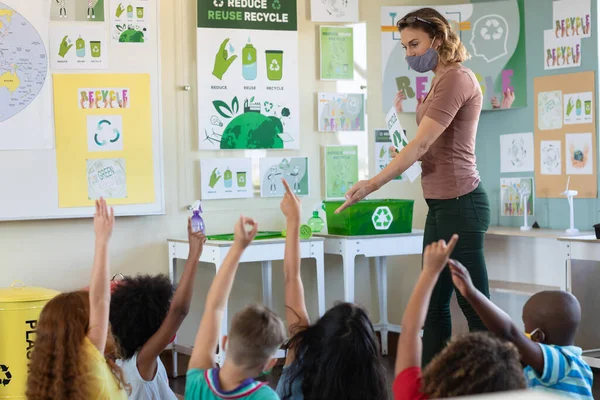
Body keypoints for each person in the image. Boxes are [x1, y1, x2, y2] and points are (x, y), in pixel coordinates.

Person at [336, 7, 491, 366]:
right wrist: (407, 152)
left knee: (474, 302)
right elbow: (428, 146)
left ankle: (495, 384)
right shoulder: (438, 79)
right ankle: (434, 383)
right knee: (434, 304)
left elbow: (421, 146)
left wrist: (371, 183)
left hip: (462, 202)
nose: (409, 54)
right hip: (440, 204)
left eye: (415, 44)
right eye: (405, 47)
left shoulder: (456, 79)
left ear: (438, 39)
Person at [277, 179, 388, 400]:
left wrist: (294, 219)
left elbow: (292, 277)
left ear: (320, 334)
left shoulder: (301, 357)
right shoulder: (371, 388)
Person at [394, 235, 526, 399]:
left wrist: (429, 272)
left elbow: (409, 331)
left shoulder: (415, 395)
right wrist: (472, 293)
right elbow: (510, 331)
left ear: (445, 368)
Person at [26, 199, 129, 400]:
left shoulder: (46, 380)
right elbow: (100, 299)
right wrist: (102, 241)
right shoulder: (87, 363)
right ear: (80, 329)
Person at [449, 260, 593, 399]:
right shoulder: (579, 365)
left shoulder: (560, 362)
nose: (522, 331)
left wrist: (471, 293)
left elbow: (510, 333)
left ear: (537, 336)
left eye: (525, 326)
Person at [185, 215, 286, 399]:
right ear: (270, 364)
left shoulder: (197, 382)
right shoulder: (266, 397)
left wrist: (238, 247)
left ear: (224, 343)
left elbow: (214, 307)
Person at [109, 218, 206, 399]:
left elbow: (164, 394)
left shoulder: (134, 363)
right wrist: (194, 255)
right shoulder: (140, 363)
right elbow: (179, 311)